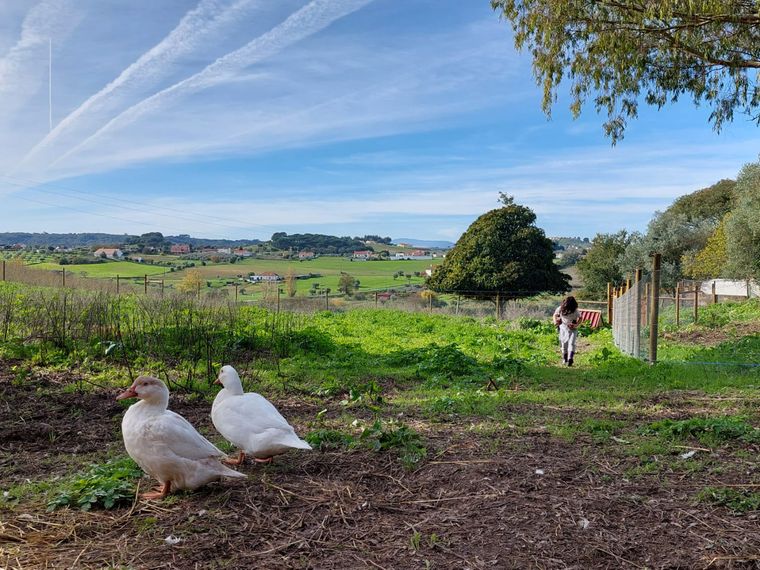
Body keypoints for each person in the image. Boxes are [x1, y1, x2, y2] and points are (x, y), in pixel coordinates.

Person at [553, 296, 581, 366]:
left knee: (570, 343)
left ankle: (570, 359)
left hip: (572, 329)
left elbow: (580, 318)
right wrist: (555, 322)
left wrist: (576, 325)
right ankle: (566, 359)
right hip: (563, 328)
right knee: (565, 343)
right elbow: (555, 315)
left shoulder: (575, 311)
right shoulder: (560, 309)